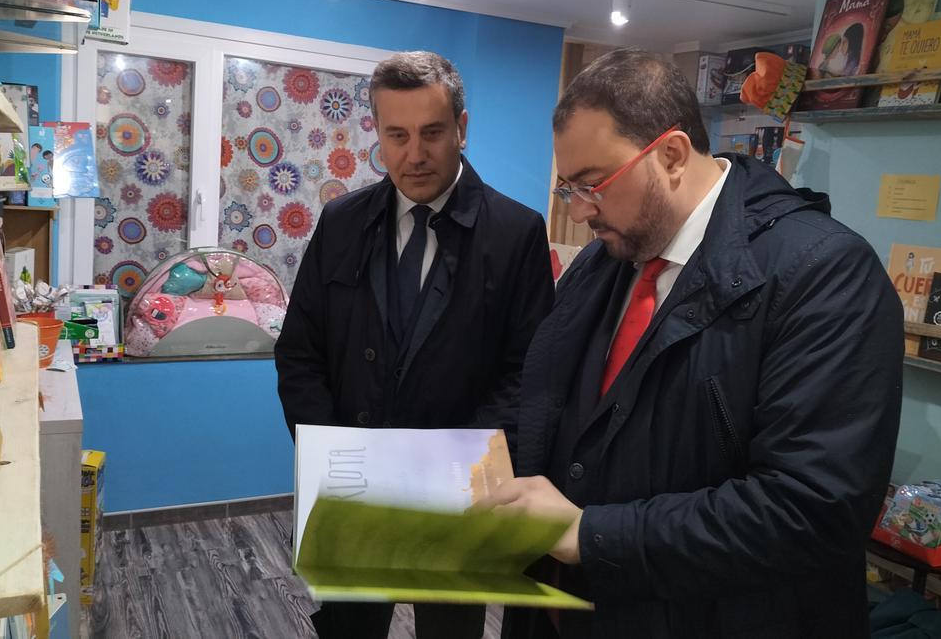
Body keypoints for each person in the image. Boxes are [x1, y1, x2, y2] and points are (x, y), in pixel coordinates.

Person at [482, 47, 903, 638]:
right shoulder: (607, 261)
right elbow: (559, 410)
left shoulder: (824, 274)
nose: (578, 213)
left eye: (594, 185)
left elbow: (811, 508)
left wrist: (587, 535)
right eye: (568, 189)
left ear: (673, 155)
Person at [276, 51, 555, 639]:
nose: (414, 154)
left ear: (462, 127)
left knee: (450, 629)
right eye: (396, 135)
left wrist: (459, 470)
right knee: (349, 624)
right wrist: (326, 452)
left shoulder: (515, 234)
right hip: (350, 482)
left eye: (432, 133)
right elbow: (301, 351)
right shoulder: (342, 223)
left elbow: (527, 372)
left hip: (458, 492)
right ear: (376, 132)